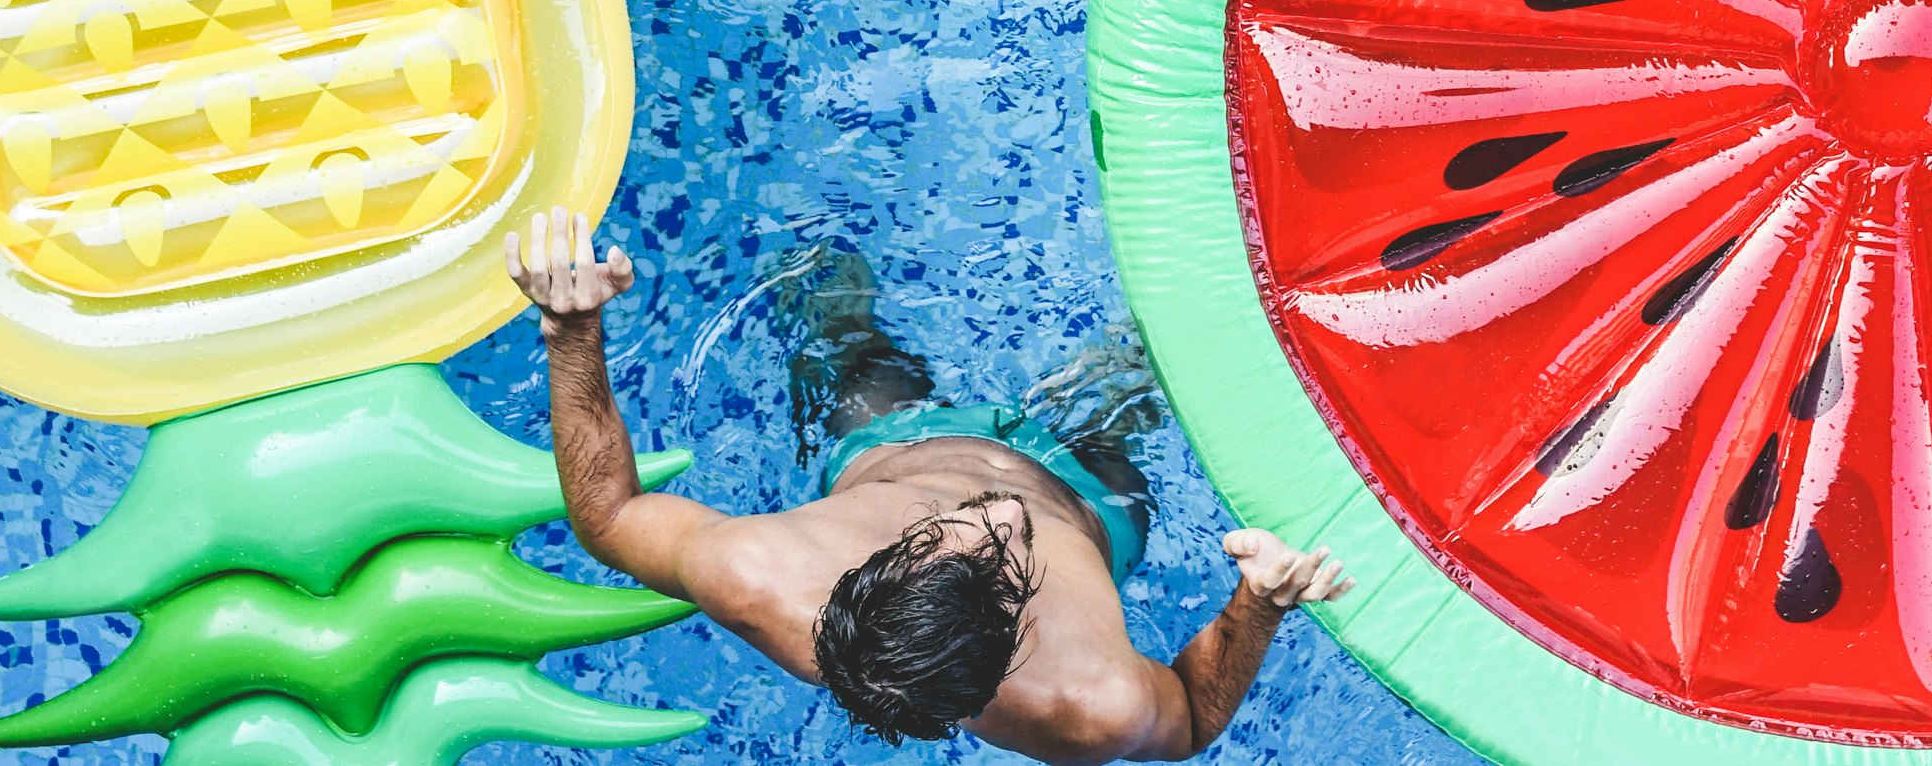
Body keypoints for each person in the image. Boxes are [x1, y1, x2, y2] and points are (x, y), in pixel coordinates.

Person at [505, 210, 1353, 758]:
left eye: (927, 535)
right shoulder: (1086, 699)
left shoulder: (759, 571)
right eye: (1005, 555)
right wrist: (1261, 601)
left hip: (897, 441)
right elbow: (1194, 719)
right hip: (1090, 498)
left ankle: (832, 299)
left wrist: (570, 327)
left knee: (830, 302)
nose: (988, 511)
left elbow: (609, 514)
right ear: (1013, 639)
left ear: (869, 568)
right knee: (1159, 363)